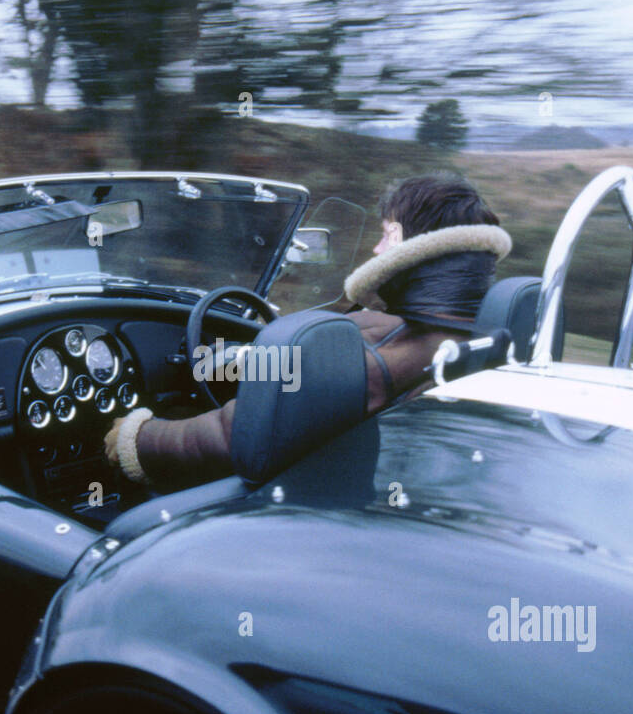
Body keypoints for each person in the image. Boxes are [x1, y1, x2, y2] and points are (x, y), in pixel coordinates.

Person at [104, 172, 512, 490]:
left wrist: (139, 437)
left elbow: (245, 431)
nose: (374, 250)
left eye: (387, 235)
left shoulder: (374, 349)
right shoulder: (475, 340)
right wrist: (246, 360)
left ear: (419, 252)